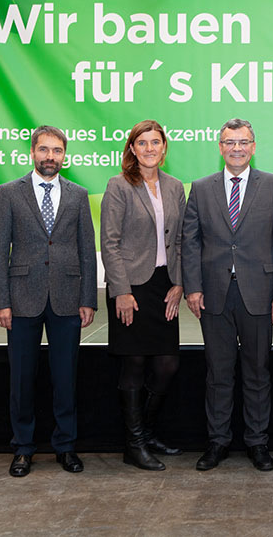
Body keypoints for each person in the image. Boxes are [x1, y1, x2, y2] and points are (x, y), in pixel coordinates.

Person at [182, 118, 273, 471]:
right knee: (218, 372)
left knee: (258, 371)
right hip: (214, 294)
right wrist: (193, 287)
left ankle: (257, 442)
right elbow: (190, 242)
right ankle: (217, 442)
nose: (236, 148)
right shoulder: (200, 188)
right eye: (229, 142)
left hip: (260, 295)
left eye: (243, 142)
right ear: (220, 147)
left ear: (254, 146)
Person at [0, 125, 97, 477]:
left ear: (65, 156)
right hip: (20, 300)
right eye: (45, 150)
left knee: (66, 378)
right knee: (22, 378)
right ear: (32, 152)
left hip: (67, 299)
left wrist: (88, 299)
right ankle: (22, 448)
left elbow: (86, 250)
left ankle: (66, 447)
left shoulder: (79, 195)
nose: (51, 157)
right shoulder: (8, 193)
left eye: (57, 151)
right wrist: (0, 301)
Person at [100, 119, 186, 471]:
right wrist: (120, 290)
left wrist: (180, 283)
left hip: (165, 287)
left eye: (156, 142)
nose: (150, 148)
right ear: (132, 149)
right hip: (131, 288)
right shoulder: (118, 185)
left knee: (167, 363)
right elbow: (109, 242)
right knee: (133, 363)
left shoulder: (175, 186)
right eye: (143, 143)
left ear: (164, 147)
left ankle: (146, 434)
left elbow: (179, 240)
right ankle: (133, 445)